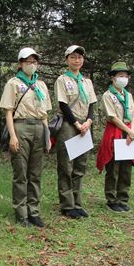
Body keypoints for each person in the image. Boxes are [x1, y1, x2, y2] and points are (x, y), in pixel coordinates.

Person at [0, 47, 52, 227]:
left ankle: (34, 211)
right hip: (21, 126)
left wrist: (48, 136)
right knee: (21, 173)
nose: (32, 65)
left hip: (39, 127)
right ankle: (21, 213)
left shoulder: (41, 85)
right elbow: (8, 112)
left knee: (35, 173)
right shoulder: (13, 83)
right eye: (28, 61)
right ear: (20, 63)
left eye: (34, 62)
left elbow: (45, 113)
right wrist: (13, 136)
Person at [54, 45, 97, 219]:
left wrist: (88, 121)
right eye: (73, 57)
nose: (77, 60)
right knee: (66, 165)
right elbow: (63, 105)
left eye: (79, 57)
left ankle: (77, 202)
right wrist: (77, 124)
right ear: (66, 60)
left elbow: (92, 104)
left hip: (85, 126)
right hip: (69, 125)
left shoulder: (87, 82)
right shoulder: (62, 80)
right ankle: (67, 204)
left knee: (80, 165)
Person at [96, 62, 134, 212]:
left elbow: (133, 115)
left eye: (126, 76)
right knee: (113, 167)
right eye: (120, 76)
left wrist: (131, 132)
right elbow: (112, 117)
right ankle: (111, 199)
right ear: (113, 77)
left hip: (129, 134)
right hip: (115, 132)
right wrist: (128, 130)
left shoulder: (128, 95)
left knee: (126, 168)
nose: (123, 78)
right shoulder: (108, 96)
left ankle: (123, 197)